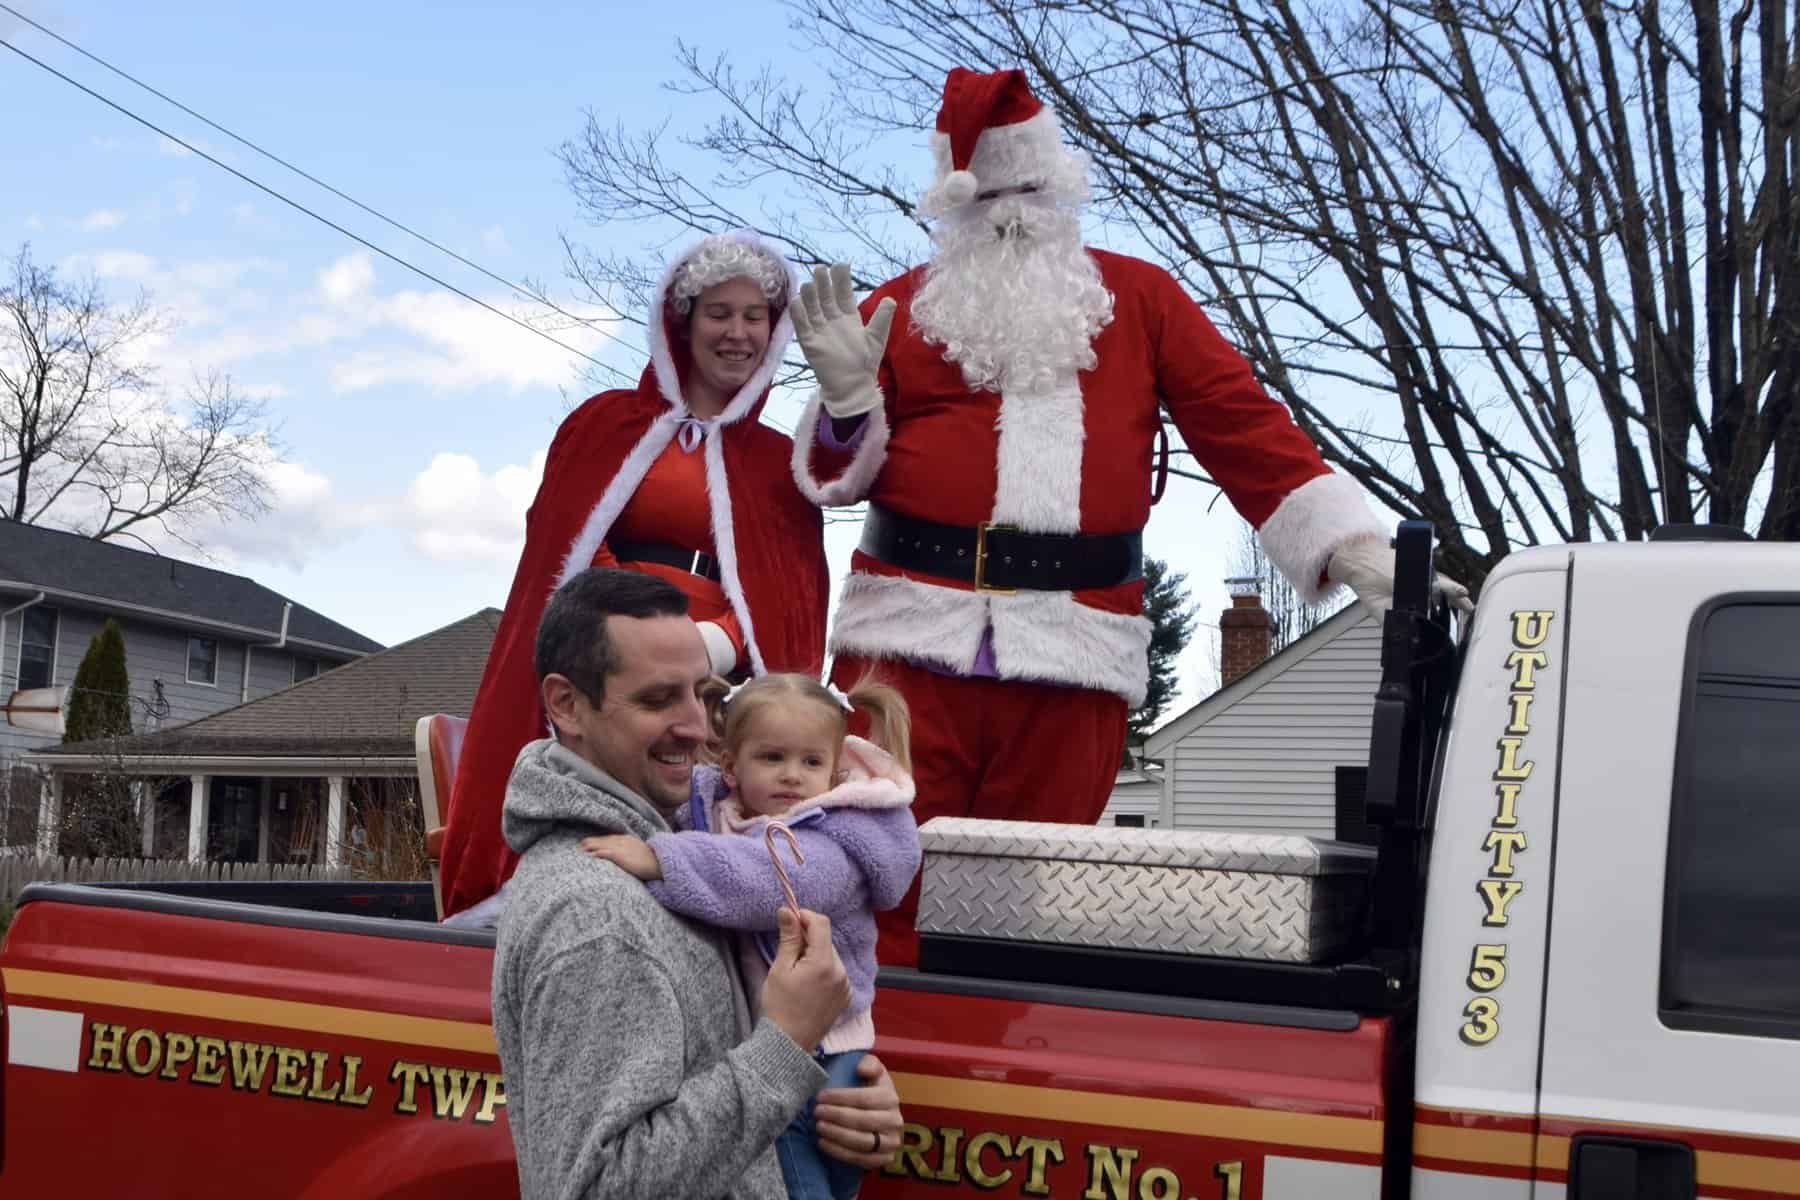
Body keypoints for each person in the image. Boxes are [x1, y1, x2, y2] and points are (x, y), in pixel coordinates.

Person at [788, 66, 1472, 964]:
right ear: (953, 206)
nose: (1009, 217)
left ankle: (992, 1091)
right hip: (907, 651)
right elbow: (828, 478)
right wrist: (841, 407)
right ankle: (857, 1082)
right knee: (870, 877)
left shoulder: (1141, 300)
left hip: (1076, 652)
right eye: (986, 200)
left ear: (1060, 188)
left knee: (1023, 902)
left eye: (1027, 192)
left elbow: (1243, 425)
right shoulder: (899, 308)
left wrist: (1354, 550)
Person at [440, 230, 844, 920]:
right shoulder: (604, 424)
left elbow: (789, 597)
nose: (738, 333)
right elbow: (564, 543)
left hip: (720, 679)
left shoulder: (781, 460)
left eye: (755, 318)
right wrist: (629, 632)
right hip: (604, 657)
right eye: (720, 313)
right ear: (682, 323)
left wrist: (710, 647)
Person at [492, 567, 904, 1198]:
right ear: (567, 705)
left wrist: (837, 1084)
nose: (698, 726)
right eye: (659, 700)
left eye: (703, 696)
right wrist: (786, 1048)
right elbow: (600, 1187)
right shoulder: (596, 912)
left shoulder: (696, 840)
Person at [580, 672, 921, 1200]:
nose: (792, 776)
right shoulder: (717, 813)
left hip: (827, 1050)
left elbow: (765, 881)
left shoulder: (832, 843)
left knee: (789, 1175)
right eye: (772, 758)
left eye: (811, 763)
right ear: (731, 767)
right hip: (775, 1040)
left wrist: (661, 861)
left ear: (833, 774)